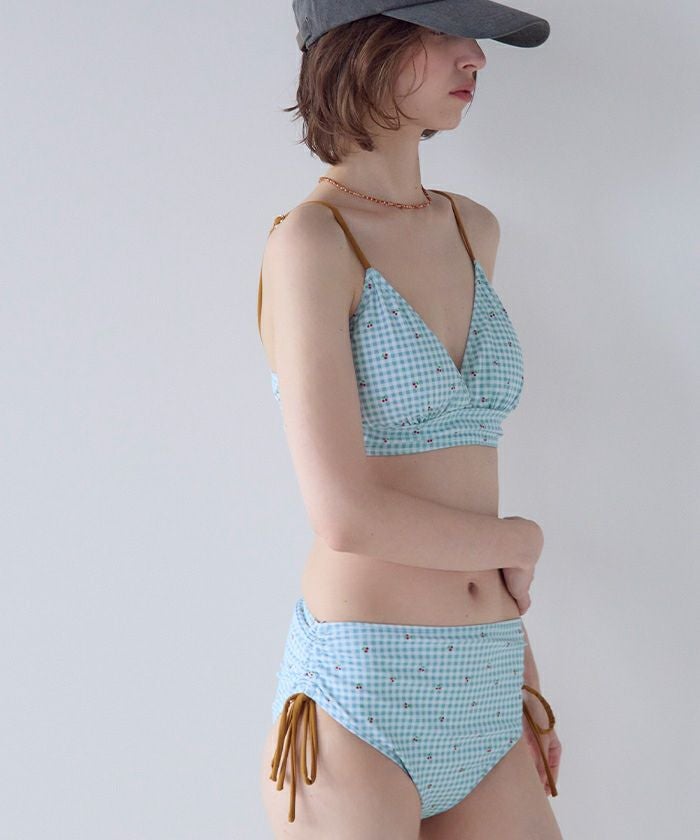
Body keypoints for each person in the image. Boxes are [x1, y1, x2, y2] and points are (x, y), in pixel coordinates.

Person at [256, 2, 563, 837]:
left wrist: (524, 675)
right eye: (447, 31)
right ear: (366, 45)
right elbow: (344, 514)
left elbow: (465, 473)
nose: (477, 57)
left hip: (490, 681)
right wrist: (521, 539)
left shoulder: (473, 229)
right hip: (363, 693)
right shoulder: (311, 244)